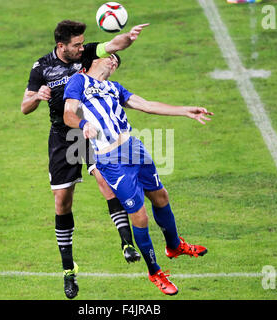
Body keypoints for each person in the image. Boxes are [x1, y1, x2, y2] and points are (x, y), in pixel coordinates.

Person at [63, 54, 213, 295]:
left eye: (117, 62)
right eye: (110, 57)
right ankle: (154, 271)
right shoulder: (79, 82)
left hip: (134, 149)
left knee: (161, 196)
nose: (114, 62)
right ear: (93, 60)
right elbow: (68, 114)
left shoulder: (114, 88)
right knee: (140, 216)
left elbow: (147, 105)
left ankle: (174, 246)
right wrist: (83, 125)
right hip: (111, 161)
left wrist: (185, 111)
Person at [21, 20, 148, 299]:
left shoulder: (87, 53)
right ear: (61, 46)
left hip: (90, 130)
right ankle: (69, 270)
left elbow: (113, 45)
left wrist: (129, 37)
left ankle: (127, 243)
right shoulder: (41, 67)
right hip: (62, 137)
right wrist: (38, 97)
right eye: (76, 44)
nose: (82, 48)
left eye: (82, 43)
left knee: (105, 181)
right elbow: (24, 106)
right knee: (63, 201)